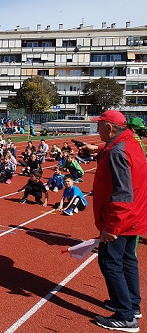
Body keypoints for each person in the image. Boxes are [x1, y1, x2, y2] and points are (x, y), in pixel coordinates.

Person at [84, 110, 147, 331]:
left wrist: (111, 226)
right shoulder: (132, 142)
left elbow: (122, 194)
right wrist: (99, 148)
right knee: (128, 260)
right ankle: (132, 304)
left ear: (110, 128)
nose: (97, 129)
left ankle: (126, 315)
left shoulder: (117, 153)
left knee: (110, 262)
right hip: (135, 216)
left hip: (121, 218)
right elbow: (120, 152)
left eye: (100, 125)